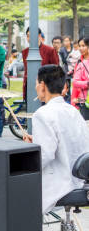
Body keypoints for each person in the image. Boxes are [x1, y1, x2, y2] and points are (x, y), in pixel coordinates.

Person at [24, 65, 89, 213]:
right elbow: (70, 140)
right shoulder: (72, 110)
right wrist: (37, 140)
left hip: (62, 183)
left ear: (42, 86)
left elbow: (44, 156)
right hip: (80, 179)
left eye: (35, 83)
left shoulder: (43, 114)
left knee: (14, 188)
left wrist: (27, 154)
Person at [22, 28, 59, 98]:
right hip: (29, 87)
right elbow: (26, 71)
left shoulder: (50, 50)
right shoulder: (25, 52)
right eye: (27, 36)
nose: (29, 38)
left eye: (31, 36)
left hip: (46, 89)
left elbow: (56, 70)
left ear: (39, 36)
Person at [71, 37, 89, 119]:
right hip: (84, 101)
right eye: (80, 46)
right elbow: (75, 82)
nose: (81, 48)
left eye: (83, 45)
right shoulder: (80, 63)